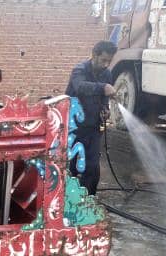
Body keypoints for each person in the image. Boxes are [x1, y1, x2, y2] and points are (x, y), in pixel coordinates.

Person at [65, 40, 118, 195]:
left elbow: (104, 99)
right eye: (103, 60)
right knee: (72, 166)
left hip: (93, 128)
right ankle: (67, 200)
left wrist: (105, 109)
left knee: (93, 168)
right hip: (74, 127)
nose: (106, 64)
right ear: (94, 55)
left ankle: (88, 202)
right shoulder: (79, 70)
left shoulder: (107, 74)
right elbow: (80, 87)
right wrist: (103, 87)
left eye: (109, 61)